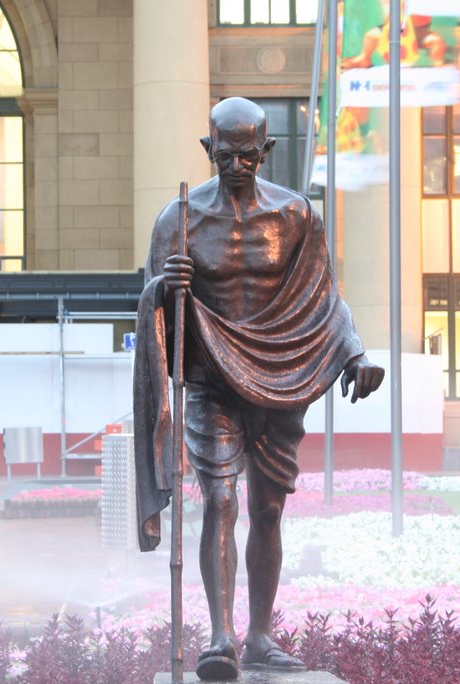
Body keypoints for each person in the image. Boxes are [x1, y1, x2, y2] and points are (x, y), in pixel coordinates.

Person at [133, 97, 384, 681]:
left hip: (279, 380)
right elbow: (149, 315)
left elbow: (322, 299)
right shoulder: (179, 220)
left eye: (249, 155)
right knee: (219, 501)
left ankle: (261, 636)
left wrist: (355, 352)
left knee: (267, 510)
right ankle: (221, 638)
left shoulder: (296, 215)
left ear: (265, 152)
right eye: (226, 155)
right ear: (208, 150)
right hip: (212, 383)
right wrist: (164, 290)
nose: (237, 166)